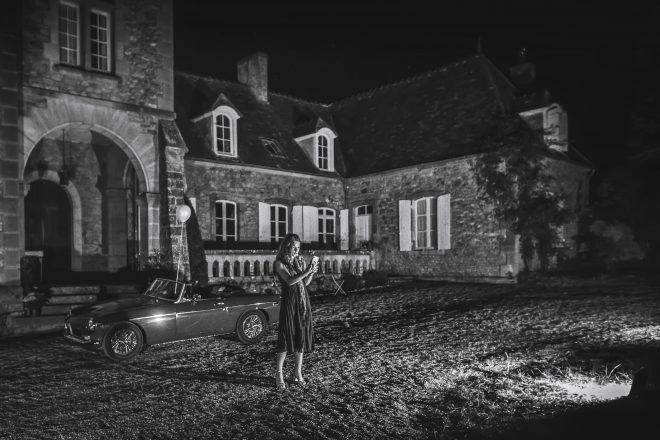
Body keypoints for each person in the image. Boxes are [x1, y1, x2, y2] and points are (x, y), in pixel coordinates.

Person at [273, 233, 318, 389]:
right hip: (289, 303)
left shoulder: (299, 261)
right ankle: (279, 373)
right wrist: (306, 271)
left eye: (298, 248)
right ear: (287, 247)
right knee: (286, 337)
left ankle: (297, 372)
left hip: (302, 301)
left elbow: (304, 283)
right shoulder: (279, 263)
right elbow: (290, 281)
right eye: (294, 247)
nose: (297, 251)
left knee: (301, 336)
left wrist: (311, 272)